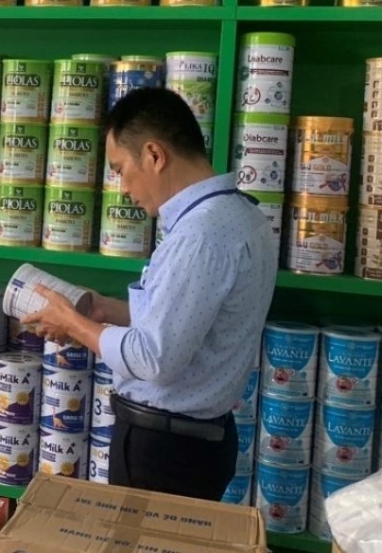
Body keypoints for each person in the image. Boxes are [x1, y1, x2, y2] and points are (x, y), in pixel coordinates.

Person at [23, 87, 276, 501]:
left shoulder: (200, 235)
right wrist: (104, 310)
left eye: (121, 169)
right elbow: (189, 321)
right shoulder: (240, 215)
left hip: (165, 452)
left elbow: (153, 358)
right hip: (193, 443)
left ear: (155, 155)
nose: (122, 188)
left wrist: (72, 323)